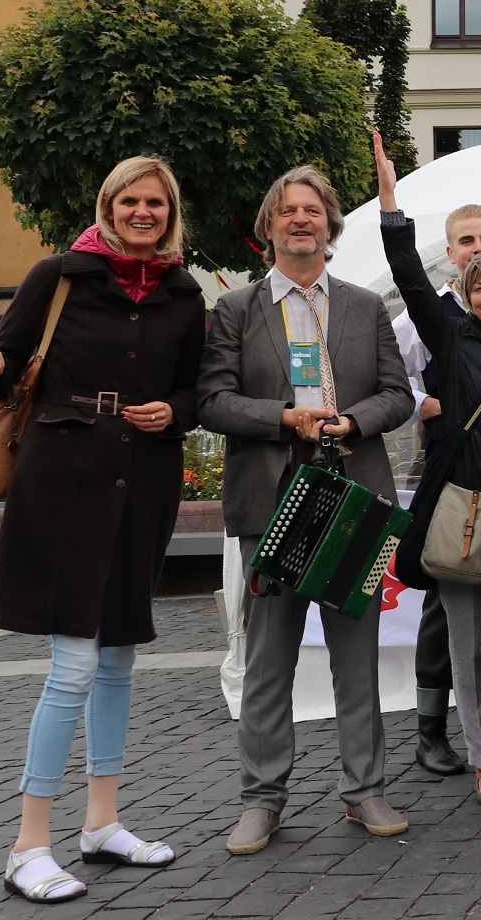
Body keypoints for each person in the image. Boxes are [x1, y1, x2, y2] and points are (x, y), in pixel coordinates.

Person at [0, 158, 205, 901]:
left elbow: (193, 389)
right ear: (108, 204)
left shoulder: (182, 290)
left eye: (156, 202)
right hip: (62, 479)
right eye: (130, 200)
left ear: (171, 212)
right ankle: (27, 844)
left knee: (117, 662)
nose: (144, 212)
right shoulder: (59, 274)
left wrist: (174, 411)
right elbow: (9, 362)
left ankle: (101, 824)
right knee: (73, 666)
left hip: (143, 484)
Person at [200, 167, 415, 855]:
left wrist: (351, 421)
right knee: (268, 664)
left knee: (356, 659)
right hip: (272, 504)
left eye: (313, 211)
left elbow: (397, 393)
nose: (301, 220)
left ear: (330, 225)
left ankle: (365, 791)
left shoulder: (361, 304)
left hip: (351, 503)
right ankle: (261, 801)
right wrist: (283, 417)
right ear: (270, 226)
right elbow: (213, 402)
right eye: (288, 211)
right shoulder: (236, 310)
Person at [375, 136, 481, 808]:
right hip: (463, 504)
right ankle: (480, 761)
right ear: (467, 294)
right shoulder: (448, 335)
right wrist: (391, 199)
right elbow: (408, 273)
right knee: (468, 644)